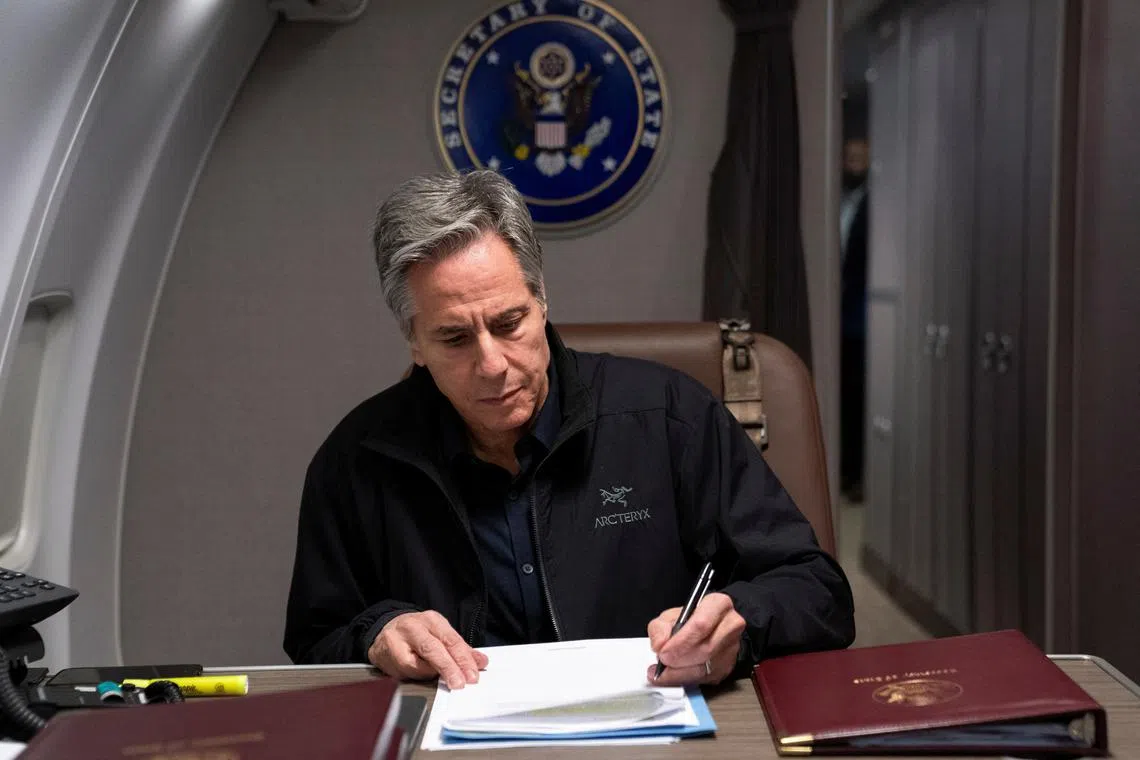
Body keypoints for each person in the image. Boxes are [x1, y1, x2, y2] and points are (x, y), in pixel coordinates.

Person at [283, 171, 855, 690]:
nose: (492, 365)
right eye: (455, 338)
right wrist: (376, 632)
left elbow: (819, 592)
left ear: (541, 300)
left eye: (510, 324)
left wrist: (741, 624)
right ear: (413, 339)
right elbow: (313, 641)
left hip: (654, 733)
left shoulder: (670, 415)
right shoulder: (355, 460)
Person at [839, 136, 870, 502]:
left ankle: (858, 475)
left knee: (859, 396)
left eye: (860, 156)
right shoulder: (843, 199)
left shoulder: (871, 202)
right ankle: (846, 471)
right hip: (845, 312)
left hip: (862, 315)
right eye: (850, 156)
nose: (853, 162)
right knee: (846, 395)